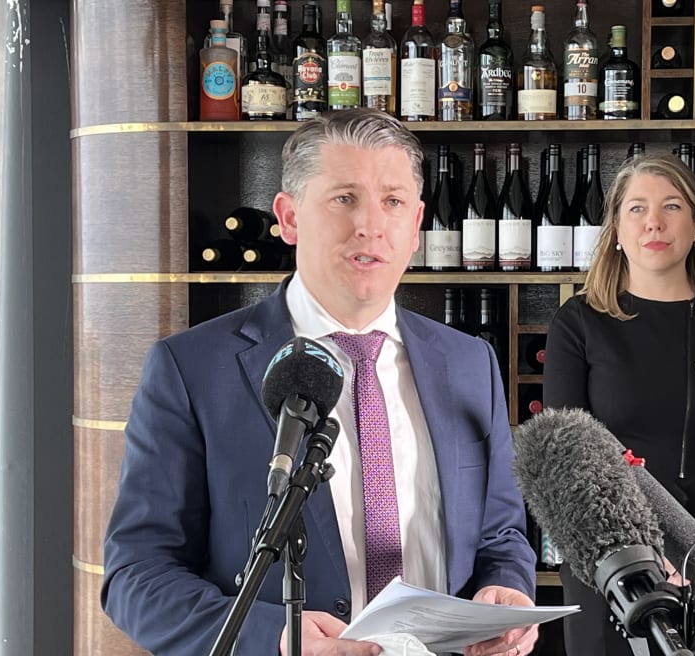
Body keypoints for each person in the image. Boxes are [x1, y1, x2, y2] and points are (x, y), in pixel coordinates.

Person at [101, 108, 539, 656]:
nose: (371, 225)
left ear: (417, 224)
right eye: (344, 198)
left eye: (393, 202)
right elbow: (136, 577)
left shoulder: (471, 362)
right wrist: (277, 638)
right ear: (288, 217)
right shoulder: (190, 369)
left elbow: (501, 534)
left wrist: (508, 587)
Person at [543, 153, 695, 655]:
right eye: (636, 208)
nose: (653, 221)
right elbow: (567, 463)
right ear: (616, 229)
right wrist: (636, 554)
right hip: (612, 571)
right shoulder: (578, 323)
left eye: (672, 206)